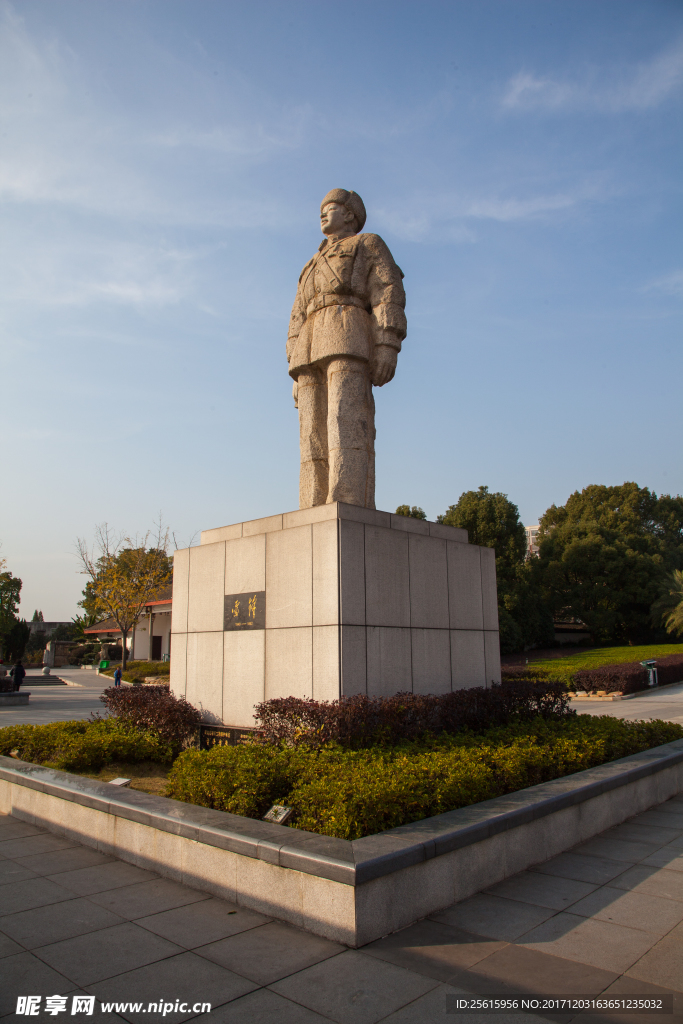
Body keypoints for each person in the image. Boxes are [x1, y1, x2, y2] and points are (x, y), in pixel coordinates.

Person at [287, 189, 406, 509]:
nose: (323, 214)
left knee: (346, 417)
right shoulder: (310, 264)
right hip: (309, 343)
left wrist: (387, 342)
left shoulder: (368, 244)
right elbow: (297, 315)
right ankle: (312, 502)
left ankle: (347, 498)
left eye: (332, 208)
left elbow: (387, 291)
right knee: (311, 429)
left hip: (348, 331)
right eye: (322, 210)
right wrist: (294, 366)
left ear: (350, 215)